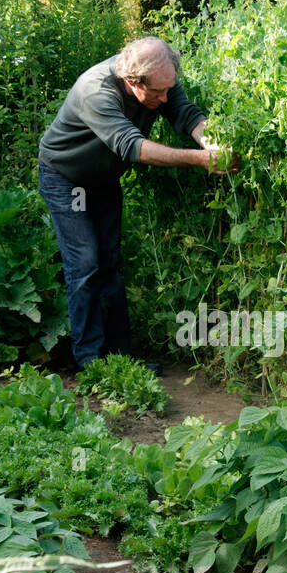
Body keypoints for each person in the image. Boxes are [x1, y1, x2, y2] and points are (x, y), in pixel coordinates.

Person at [38, 36, 235, 374]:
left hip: (103, 178)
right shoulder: (95, 91)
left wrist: (214, 146)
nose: (165, 97)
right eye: (157, 93)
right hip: (67, 176)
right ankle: (91, 362)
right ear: (133, 81)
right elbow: (134, 147)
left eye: (168, 88)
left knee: (111, 261)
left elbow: (186, 115)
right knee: (85, 263)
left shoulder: (161, 77)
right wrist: (200, 160)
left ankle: (121, 358)